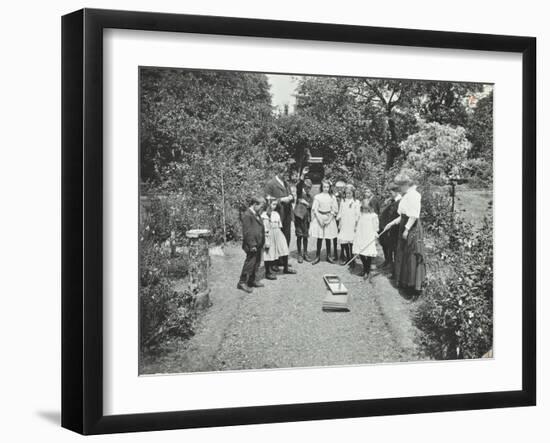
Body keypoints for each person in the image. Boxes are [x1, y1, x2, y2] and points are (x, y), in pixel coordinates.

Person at [383, 172, 427, 293]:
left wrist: (407, 229)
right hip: (404, 224)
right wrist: (391, 223)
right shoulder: (406, 195)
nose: (399, 189)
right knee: (403, 254)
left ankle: (413, 286)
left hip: (411, 228)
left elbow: (413, 215)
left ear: (406, 184)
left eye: (400, 186)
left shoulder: (414, 195)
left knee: (411, 255)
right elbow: (403, 215)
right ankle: (404, 283)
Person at [261, 198, 296, 278]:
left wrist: (280, 235)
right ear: (268, 204)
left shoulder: (276, 214)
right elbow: (264, 228)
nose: (274, 206)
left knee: (284, 248)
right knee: (268, 252)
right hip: (269, 234)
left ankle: (286, 268)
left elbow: (279, 225)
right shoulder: (264, 215)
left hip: (278, 233)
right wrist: (266, 239)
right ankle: (268, 272)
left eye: (276, 204)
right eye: (273, 204)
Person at [237, 196, 266, 293]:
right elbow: (247, 232)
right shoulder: (247, 215)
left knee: (257, 262)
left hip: (258, 243)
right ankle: (242, 282)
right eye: (261, 207)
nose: (262, 209)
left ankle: (252, 280)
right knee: (250, 263)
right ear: (254, 204)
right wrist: (252, 244)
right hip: (251, 245)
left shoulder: (256, 213)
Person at [310, 180, 339, 264]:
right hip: (320, 217)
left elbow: (334, 210)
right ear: (321, 187)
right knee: (319, 238)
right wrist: (319, 219)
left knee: (328, 237)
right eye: (324, 187)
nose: (326, 188)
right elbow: (315, 209)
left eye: (327, 187)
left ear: (329, 187)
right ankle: (317, 256)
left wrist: (329, 220)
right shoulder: (318, 197)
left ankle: (328, 256)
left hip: (329, 217)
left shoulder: (332, 197)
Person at [264, 170, 295, 247]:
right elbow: (267, 199)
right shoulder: (270, 184)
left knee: (287, 236)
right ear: (279, 172)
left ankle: (285, 256)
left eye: (287, 174)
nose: (286, 176)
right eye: (284, 173)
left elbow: (292, 197)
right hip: (277, 214)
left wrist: (291, 197)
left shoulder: (286, 183)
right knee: (277, 236)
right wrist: (281, 200)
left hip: (287, 214)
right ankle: (277, 258)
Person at [353, 199, 379, 280]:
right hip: (361, 235)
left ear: (370, 207)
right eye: (364, 208)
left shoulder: (373, 216)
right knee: (361, 253)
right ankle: (365, 269)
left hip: (369, 236)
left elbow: (375, 227)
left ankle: (367, 271)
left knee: (368, 254)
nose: (365, 210)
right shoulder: (360, 215)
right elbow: (357, 224)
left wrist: (375, 236)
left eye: (367, 208)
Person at [378, 183, 402, 269]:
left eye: (390, 192)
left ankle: (394, 267)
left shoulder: (400, 201)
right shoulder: (390, 201)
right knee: (385, 244)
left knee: (393, 248)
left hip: (394, 229)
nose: (389, 194)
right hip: (386, 227)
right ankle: (387, 261)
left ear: (396, 191)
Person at [336, 184, 360, 265]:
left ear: (353, 193)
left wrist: (356, 225)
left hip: (352, 224)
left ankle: (352, 260)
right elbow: (340, 211)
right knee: (345, 241)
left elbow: (357, 214)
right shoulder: (343, 201)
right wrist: (338, 219)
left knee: (352, 242)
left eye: (350, 193)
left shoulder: (356, 202)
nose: (348, 195)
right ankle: (348, 258)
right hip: (344, 223)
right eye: (347, 193)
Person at [294, 168, 314, 263]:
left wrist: (306, 203)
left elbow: (311, 206)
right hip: (299, 218)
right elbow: (298, 185)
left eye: (309, 187)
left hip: (306, 219)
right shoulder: (299, 194)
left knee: (305, 236)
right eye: (306, 187)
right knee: (299, 236)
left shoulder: (310, 197)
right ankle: (299, 254)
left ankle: (305, 253)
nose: (307, 189)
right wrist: (302, 175)